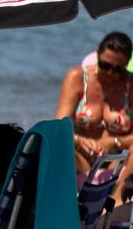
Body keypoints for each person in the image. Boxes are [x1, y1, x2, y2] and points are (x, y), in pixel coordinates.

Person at [57, 31, 133, 197]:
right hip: (82, 157)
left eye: (117, 69)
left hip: (115, 161)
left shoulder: (130, 85)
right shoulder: (77, 77)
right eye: (105, 65)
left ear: (126, 64)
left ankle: (115, 207)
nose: (110, 73)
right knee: (60, 142)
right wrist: (78, 140)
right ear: (97, 53)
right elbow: (59, 125)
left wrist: (114, 141)